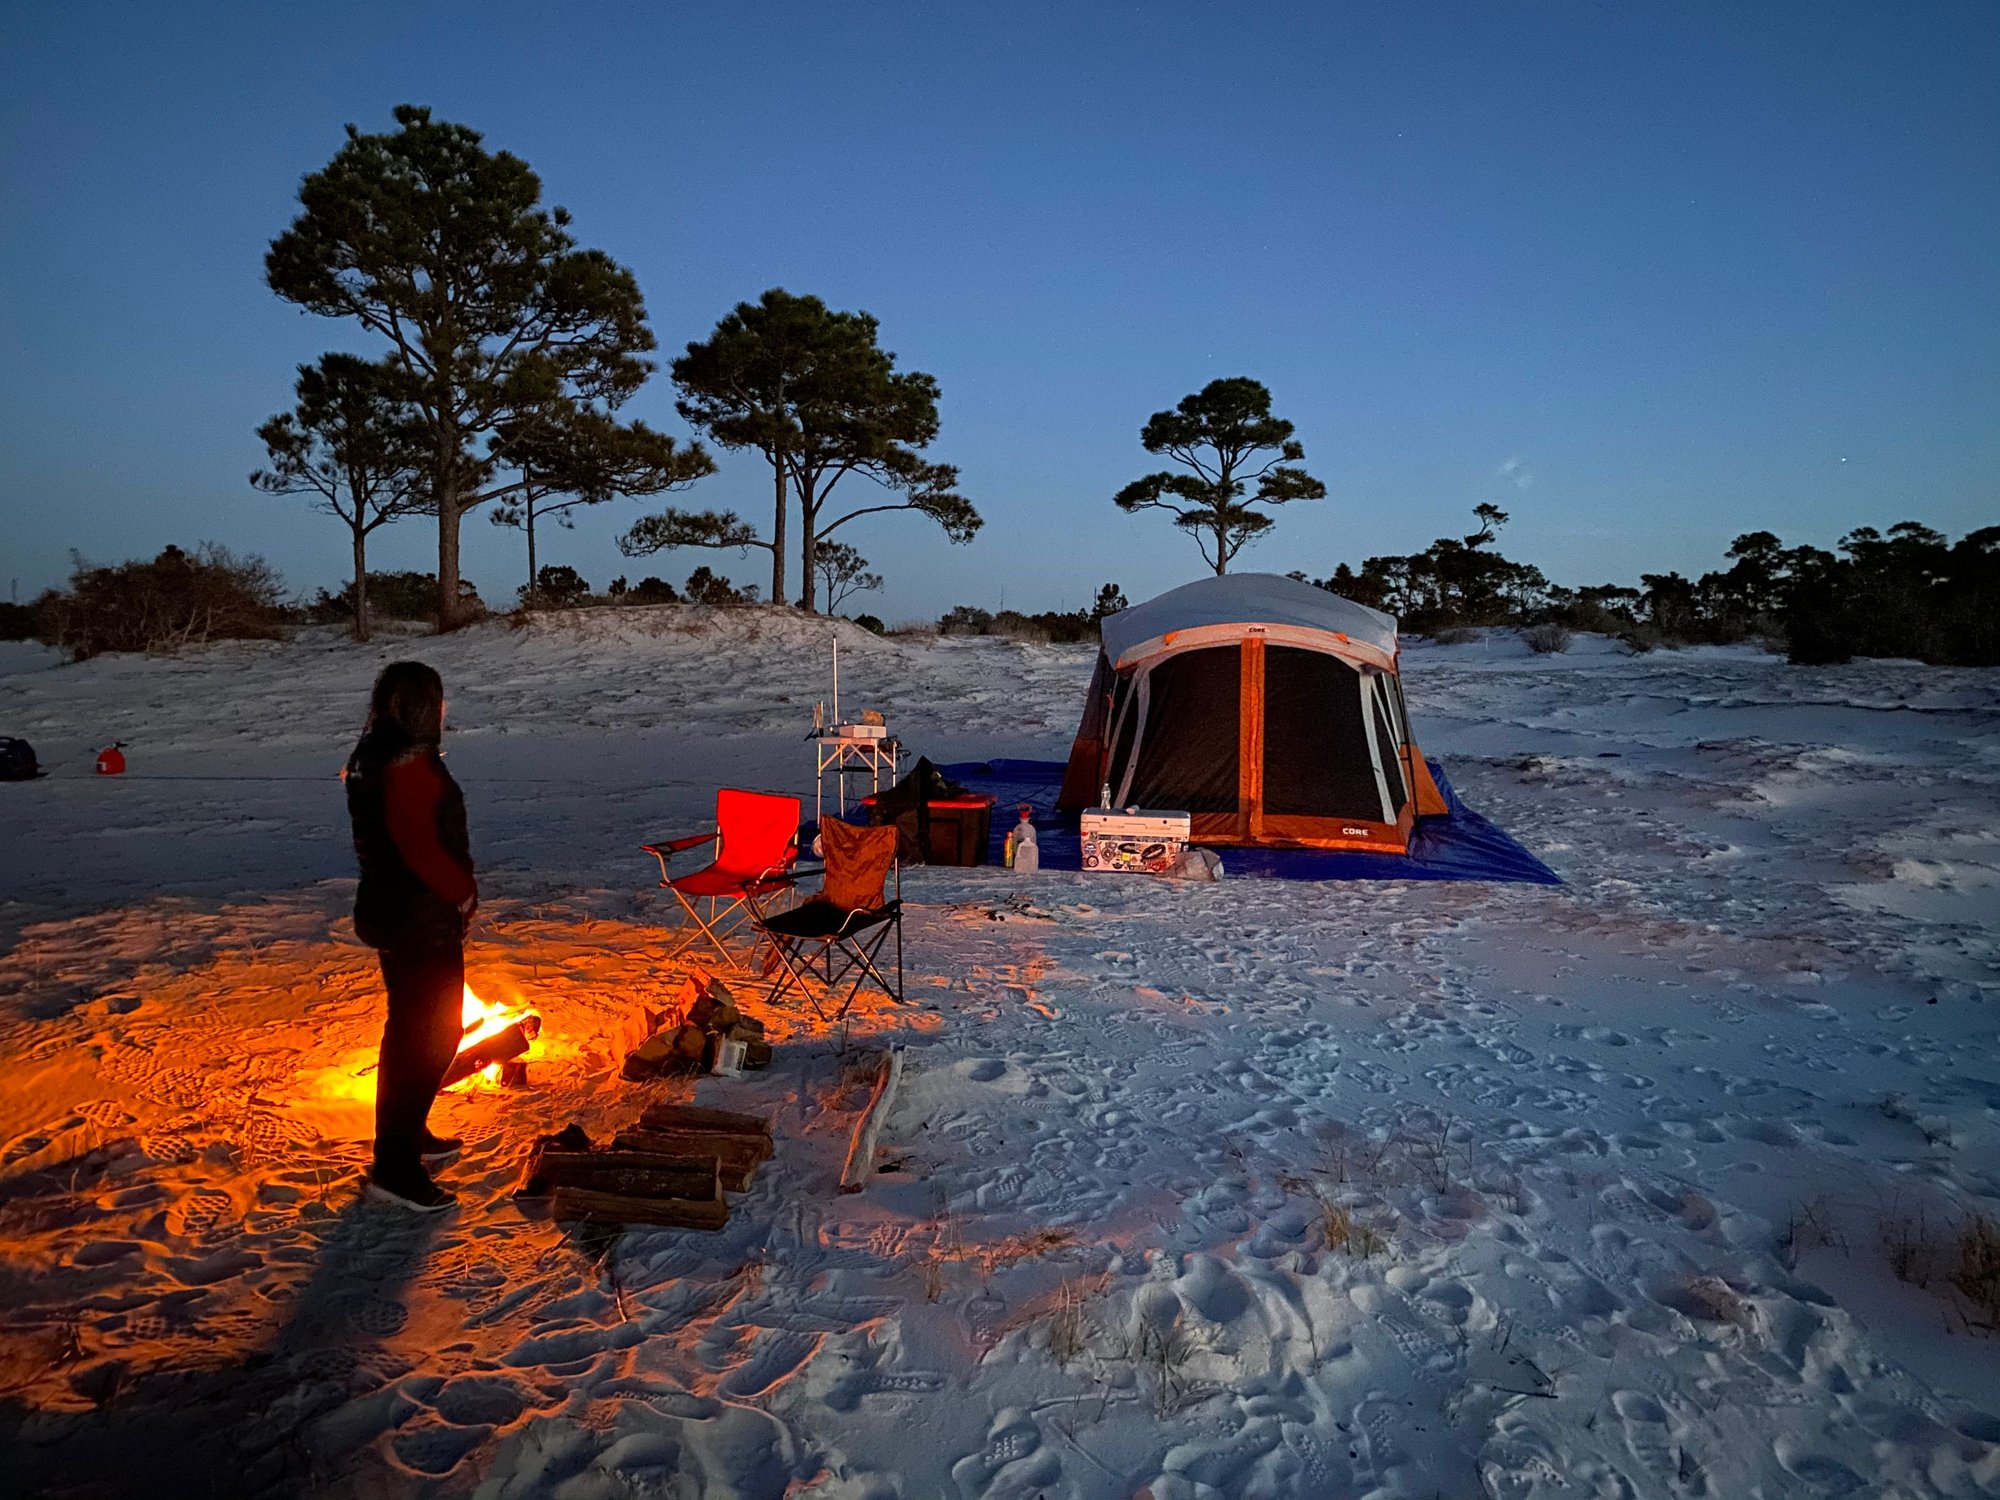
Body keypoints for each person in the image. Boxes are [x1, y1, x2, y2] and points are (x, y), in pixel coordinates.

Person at [344, 661, 477, 1211]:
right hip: (419, 917)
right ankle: (394, 1167)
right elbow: (421, 847)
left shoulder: (370, 755)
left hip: (390, 907)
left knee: (408, 1031)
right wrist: (463, 891)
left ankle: (406, 1135)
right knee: (433, 1036)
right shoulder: (409, 767)